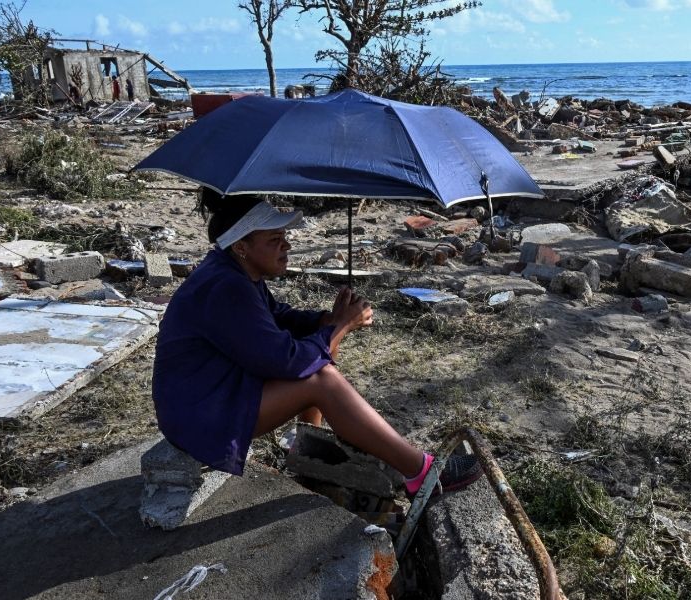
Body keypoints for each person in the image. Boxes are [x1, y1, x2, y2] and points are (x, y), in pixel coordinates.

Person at [151, 189, 483, 496]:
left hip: (212, 395)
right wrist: (340, 326)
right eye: (275, 239)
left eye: (285, 238)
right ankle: (422, 474)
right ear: (242, 246)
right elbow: (287, 361)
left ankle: (306, 446)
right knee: (322, 379)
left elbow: (276, 316)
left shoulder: (233, 272)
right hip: (200, 416)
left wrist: (324, 321)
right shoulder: (226, 287)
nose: (287, 246)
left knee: (316, 348)